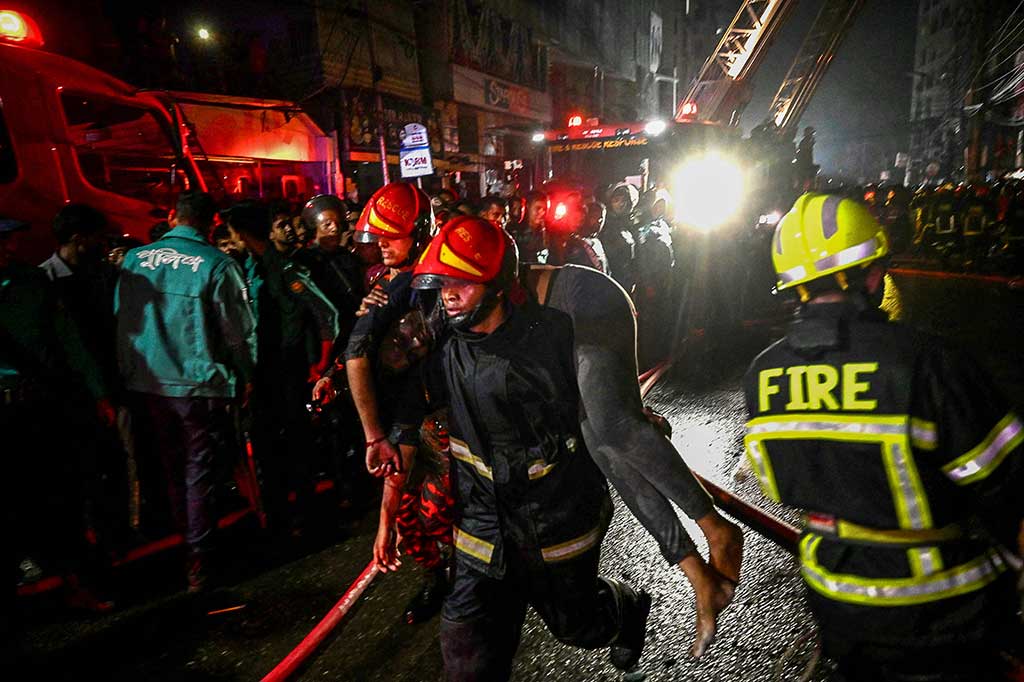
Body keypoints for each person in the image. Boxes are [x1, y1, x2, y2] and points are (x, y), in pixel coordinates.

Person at [744, 192, 1023, 681]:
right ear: (871, 275)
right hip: (943, 612)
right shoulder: (928, 362)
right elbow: (1011, 488)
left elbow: (777, 483)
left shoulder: (762, 374)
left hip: (833, 600)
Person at [397, 216, 651, 679]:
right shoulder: (447, 337)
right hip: (482, 525)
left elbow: (602, 417)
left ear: (498, 285)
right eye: (443, 283)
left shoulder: (550, 343)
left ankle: (626, 608)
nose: (448, 294)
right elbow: (389, 357)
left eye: (462, 283)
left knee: (580, 626)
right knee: (467, 652)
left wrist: (630, 423)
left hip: (555, 520)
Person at [310, 182, 450, 623]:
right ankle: (438, 579)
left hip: (442, 418)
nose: (383, 245)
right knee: (410, 522)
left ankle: (474, 588)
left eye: (395, 235)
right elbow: (365, 349)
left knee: (443, 514)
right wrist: (334, 374)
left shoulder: (443, 282)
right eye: (379, 236)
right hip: (405, 420)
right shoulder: (382, 282)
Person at [115, 192, 257, 591]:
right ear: (211, 223)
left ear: (173, 216)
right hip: (198, 383)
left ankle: (185, 542)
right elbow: (239, 333)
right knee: (199, 469)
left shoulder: (134, 260)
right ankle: (199, 558)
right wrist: (245, 376)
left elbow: (122, 321)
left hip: (148, 382)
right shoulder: (217, 264)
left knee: (171, 463)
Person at [2, 216, 116, 618]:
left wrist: (99, 393)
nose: (9, 248)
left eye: (10, 240)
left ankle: (75, 584)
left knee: (57, 497)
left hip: (37, 406)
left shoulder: (31, 283)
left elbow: (69, 339)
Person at [226, 201, 338, 537]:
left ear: (243, 232)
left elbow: (327, 315)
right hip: (258, 374)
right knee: (264, 445)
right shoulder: (243, 268)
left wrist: (320, 363)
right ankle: (276, 514)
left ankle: (305, 512)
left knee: (296, 441)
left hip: (287, 371)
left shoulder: (288, 270)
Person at [602, 182, 639, 293]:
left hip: (626, 280)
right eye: (616, 200)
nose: (621, 204)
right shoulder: (604, 225)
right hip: (611, 282)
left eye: (625, 201)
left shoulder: (631, 225)